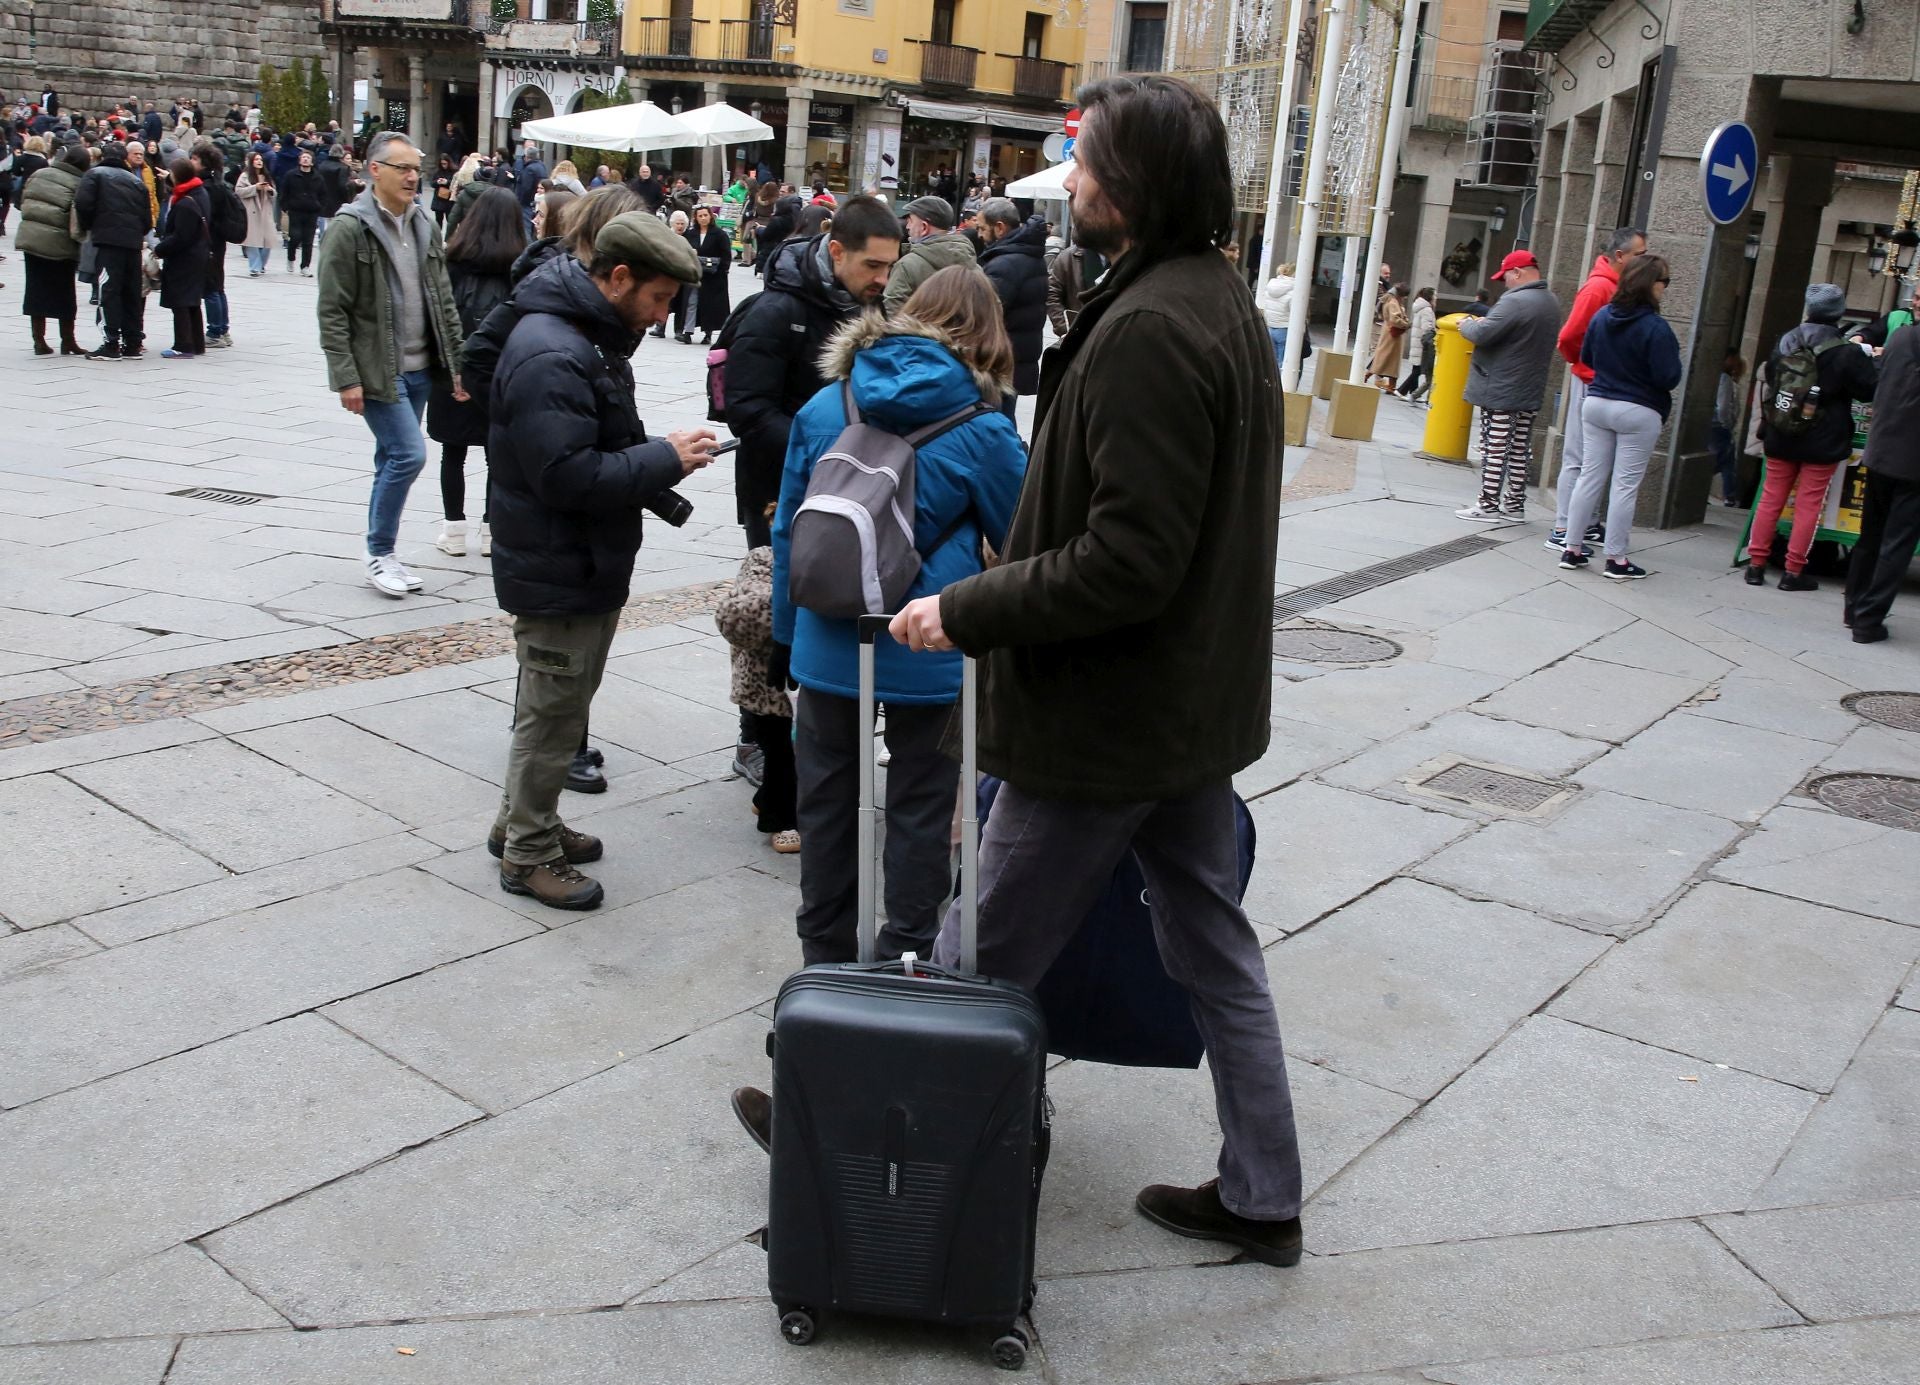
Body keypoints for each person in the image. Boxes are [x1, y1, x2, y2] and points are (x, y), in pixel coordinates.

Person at [869, 75, 1303, 1269]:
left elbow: (1131, 560)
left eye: (1094, 163)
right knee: (1213, 946)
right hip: (1181, 713)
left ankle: (865, 1148)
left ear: (1142, 185)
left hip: (1111, 721)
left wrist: (969, 607)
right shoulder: (1201, 298)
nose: (1079, 182)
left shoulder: (1164, 324)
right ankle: (1266, 1192)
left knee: (977, 959)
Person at [759, 263, 1027, 967]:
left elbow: (789, 529)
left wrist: (788, 641)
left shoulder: (827, 405)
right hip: (929, 646)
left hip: (825, 639)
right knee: (919, 811)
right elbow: (1027, 539)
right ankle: (904, 965)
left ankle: (822, 966)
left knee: (825, 809)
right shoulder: (984, 426)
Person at [486, 212, 717, 910]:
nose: (663, 314)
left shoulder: (585, 337)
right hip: (559, 562)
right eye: (658, 299)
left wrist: (656, 457)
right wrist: (663, 458)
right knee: (552, 713)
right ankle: (527, 854)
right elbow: (567, 474)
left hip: (579, 559)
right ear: (617, 277)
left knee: (553, 706)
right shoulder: (555, 350)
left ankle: (524, 821)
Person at [458, 182, 647, 795]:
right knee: (554, 655)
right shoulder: (550, 298)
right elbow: (482, 361)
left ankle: (548, 769)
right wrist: (531, 428)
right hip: (549, 496)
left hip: (580, 491)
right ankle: (536, 810)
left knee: (569, 653)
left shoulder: (597, 304)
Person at [314, 131, 469, 599]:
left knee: (390, 457)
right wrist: (345, 376)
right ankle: (380, 553)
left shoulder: (423, 223)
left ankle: (383, 550)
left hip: (422, 368)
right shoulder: (350, 227)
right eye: (401, 168)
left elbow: (442, 298)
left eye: (415, 169)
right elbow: (332, 308)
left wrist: (456, 364)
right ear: (374, 171)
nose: (411, 177)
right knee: (408, 454)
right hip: (379, 367)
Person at [724, 194, 902, 549]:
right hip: (779, 487)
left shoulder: (871, 307)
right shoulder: (775, 310)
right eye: (872, 266)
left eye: (889, 267)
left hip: (850, 484)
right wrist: (828, 447)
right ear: (836, 251)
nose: (883, 279)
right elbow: (747, 411)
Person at [1745, 284, 1879, 592]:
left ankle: (1756, 564)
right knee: (1809, 503)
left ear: (1809, 308)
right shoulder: (1845, 350)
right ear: (1838, 312)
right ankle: (1793, 571)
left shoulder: (1785, 341)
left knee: (1771, 497)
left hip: (1781, 431)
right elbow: (1868, 390)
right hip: (1824, 437)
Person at [1556, 255, 1681, 580]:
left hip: (1597, 402)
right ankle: (1616, 559)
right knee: (1624, 485)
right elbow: (1669, 377)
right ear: (1649, 284)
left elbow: (1587, 357)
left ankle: (1571, 548)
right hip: (1638, 409)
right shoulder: (1656, 327)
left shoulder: (1602, 316)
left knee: (1589, 476)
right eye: (1663, 281)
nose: (1665, 288)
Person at [427, 184, 525, 558]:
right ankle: (490, 530)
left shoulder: (451, 261)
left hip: (453, 370)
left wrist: (452, 371)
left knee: (452, 452)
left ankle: (453, 530)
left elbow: (437, 318)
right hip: (498, 376)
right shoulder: (518, 270)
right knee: (495, 453)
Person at [1546, 227, 1646, 550]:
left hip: (1596, 379)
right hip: (1591, 379)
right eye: (1640, 255)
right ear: (1620, 256)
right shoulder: (1599, 288)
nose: (1644, 261)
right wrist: (1586, 367)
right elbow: (1568, 338)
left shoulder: (1610, 286)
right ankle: (1564, 527)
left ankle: (1583, 524)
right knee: (1579, 456)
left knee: (1589, 459)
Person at [1455, 250, 1562, 523]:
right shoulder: (1550, 301)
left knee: (1495, 445)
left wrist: (1465, 324)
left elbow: (1482, 333)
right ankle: (1515, 504)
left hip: (1501, 386)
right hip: (1529, 385)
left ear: (1518, 272)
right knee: (1519, 447)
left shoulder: (1515, 301)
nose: (1504, 282)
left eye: (1505, 276)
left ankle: (1488, 503)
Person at [715, 528, 800, 855]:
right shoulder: (765, 557)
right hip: (767, 688)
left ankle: (766, 799)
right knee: (781, 756)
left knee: (798, 756)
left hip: (808, 682)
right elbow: (736, 618)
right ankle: (780, 819)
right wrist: (792, 595)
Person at [1846, 314, 1920, 644]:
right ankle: (1868, 618)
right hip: (1913, 462)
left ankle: (1854, 607)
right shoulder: (1904, 337)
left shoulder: (1901, 338)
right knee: (1897, 542)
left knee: (1870, 536)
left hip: (1881, 451)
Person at [74, 138, 152, 360]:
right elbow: (147, 219)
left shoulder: (95, 175)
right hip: (132, 243)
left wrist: (93, 225)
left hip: (108, 241)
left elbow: (83, 203)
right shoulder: (137, 182)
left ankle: (111, 343)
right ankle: (133, 342)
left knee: (108, 291)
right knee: (131, 292)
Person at [976, 196, 1049, 408]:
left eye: (982, 228)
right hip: (1015, 358)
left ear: (999, 227)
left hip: (1001, 362)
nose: (979, 234)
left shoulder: (1005, 263)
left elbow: (982, 314)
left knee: (998, 421)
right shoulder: (1025, 254)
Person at [16, 140, 87, 356]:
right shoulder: (78, 182)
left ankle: (39, 341)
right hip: (60, 244)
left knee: (35, 290)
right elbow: (78, 217)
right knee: (65, 293)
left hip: (32, 240)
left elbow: (22, 200)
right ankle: (68, 341)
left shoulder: (39, 173)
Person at [154, 156, 210, 359]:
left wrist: (160, 249)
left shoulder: (184, 203)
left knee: (181, 301)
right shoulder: (199, 192)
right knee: (192, 301)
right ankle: (196, 342)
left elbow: (181, 237)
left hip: (185, 258)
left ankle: (183, 344)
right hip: (198, 255)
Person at [883, 194, 975, 313]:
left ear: (924, 227)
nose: (907, 226)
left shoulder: (907, 266)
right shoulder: (972, 263)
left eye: (910, 221)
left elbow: (893, 310)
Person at [191, 140, 240, 349]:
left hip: (210, 241)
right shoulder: (218, 184)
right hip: (218, 241)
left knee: (211, 287)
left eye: (194, 159)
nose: (191, 162)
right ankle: (223, 329)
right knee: (218, 285)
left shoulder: (208, 187)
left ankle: (214, 331)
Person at [681, 202, 731, 346]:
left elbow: (726, 255)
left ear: (710, 216)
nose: (703, 218)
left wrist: (723, 272)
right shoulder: (690, 234)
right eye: (700, 216)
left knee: (709, 304)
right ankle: (688, 332)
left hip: (712, 276)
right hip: (694, 273)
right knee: (692, 301)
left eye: (705, 215)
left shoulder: (719, 234)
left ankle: (708, 333)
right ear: (695, 218)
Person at [1049, 236, 1104, 338]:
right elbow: (1052, 293)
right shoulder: (1067, 257)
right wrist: (1064, 328)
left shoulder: (1125, 256)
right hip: (1078, 334)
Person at [280, 149, 323, 276]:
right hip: (295, 211)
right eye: (303, 157)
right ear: (299, 160)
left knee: (308, 241)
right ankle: (291, 258)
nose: (305, 159)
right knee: (295, 237)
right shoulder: (291, 175)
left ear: (312, 162)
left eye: (308, 158)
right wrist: (285, 206)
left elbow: (323, 194)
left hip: (311, 212)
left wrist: (319, 206)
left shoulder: (318, 178)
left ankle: (305, 266)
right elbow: (284, 192)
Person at [1713, 351, 1746, 507]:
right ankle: (1730, 496)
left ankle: (1729, 495)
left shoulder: (1718, 376)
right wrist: (1727, 423)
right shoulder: (1724, 379)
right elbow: (1723, 406)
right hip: (1720, 426)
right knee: (1725, 462)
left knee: (1724, 461)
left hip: (1714, 425)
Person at [235, 151, 276, 275]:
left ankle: (261, 265)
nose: (259, 162)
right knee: (252, 241)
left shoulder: (267, 176)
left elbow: (274, 193)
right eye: (256, 159)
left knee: (268, 241)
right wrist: (255, 188)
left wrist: (270, 190)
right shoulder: (245, 176)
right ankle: (254, 267)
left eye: (261, 160)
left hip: (265, 212)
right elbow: (238, 191)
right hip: (251, 212)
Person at [1398, 287, 1437, 401]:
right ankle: (1402, 391)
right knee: (1418, 370)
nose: (1436, 298)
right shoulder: (1427, 310)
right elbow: (1427, 328)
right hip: (1423, 344)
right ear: (1430, 297)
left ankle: (1412, 393)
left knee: (1417, 369)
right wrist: (1433, 335)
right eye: (1435, 295)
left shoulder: (1420, 307)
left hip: (1417, 341)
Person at [1367, 282, 1408, 390]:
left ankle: (1391, 386)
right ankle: (1390, 386)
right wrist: (1406, 324)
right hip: (1393, 335)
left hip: (1389, 333)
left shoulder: (1389, 300)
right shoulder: (1393, 302)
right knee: (1386, 360)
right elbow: (1395, 319)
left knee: (1385, 359)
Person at [1255, 261, 1294, 370]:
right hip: (1285, 327)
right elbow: (1294, 311)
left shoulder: (1271, 286)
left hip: (1271, 326)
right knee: (1284, 362)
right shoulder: (1294, 289)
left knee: (1273, 361)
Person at [315, 143, 357, 242]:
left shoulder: (322, 166)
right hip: (338, 203)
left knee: (324, 230)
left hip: (323, 202)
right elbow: (343, 186)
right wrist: (349, 199)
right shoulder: (342, 168)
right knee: (336, 232)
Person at [514, 139, 547, 223]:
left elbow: (525, 188)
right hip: (536, 201)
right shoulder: (541, 166)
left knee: (526, 227)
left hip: (527, 204)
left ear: (527, 156)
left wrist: (519, 202)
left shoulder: (529, 169)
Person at [430, 152, 455, 226]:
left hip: (449, 200)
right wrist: (438, 182)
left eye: (445, 164)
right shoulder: (438, 171)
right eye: (442, 164)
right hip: (439, 199)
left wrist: (447, 182)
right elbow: (432, 183)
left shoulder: (453, 171)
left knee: (450, 221)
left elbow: (456, 184)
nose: (443, 166)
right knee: (438, 222)